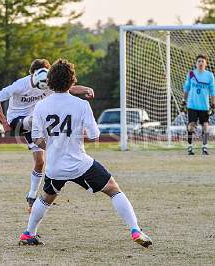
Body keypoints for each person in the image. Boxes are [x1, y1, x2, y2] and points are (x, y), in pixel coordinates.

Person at [18, 59, 152, 248]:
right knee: (113, 189)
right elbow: (94, 136)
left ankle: (28, 233)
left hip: (55, 166)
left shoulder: (41, 106)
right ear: (72, 82)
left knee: (46, 197)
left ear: (49, 82)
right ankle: (135, 229)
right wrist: (74, 136)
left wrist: (56, 145)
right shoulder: (81, 105)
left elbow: (37, 140)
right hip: (80, 164)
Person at [0, 59, 94, 213]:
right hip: (18, 121)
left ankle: (32, 196)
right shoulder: (20, 84)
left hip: (36, 124)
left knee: (40, 162)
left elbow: (68, 88)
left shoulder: (47, 81)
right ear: (32, 74)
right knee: (42, 119)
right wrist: (4, 122)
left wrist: (85, 89)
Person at [183, 54, 215, 155]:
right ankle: (190, 147)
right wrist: (184, 100)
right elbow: (186, 88)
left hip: (204, 106)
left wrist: (213, 103)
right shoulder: (191, 73)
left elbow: (212, 91)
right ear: (196, 63)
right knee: (191, 126)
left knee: (205, 126)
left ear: (206, 63)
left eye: (202, 61)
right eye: (199, 61)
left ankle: (204, 148)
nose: (200, 63)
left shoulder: (209, 75)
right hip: (192, 104)